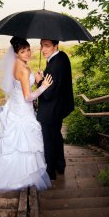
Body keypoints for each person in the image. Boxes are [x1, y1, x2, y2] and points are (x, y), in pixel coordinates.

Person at [0, 36, 53, 191]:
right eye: (23, 51)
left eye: (28, 49)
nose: (28, 53)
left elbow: (21, 84)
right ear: (16, 53)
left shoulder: (17, 64)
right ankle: (18, 179)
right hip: (22, 111)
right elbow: (28, 97)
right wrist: (43, 86)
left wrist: (35, 79)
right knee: (21, 146)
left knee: (9, 144)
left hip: (14, 107)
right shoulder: (22, 69)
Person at [35, 39, 74, 180]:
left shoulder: (53, 65)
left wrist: (39, 80)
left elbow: (47, 93)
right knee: (56, 136)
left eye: (47, 46)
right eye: (41, 45)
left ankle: (50, 171)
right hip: (60, 107)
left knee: (49, 140)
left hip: (50, 110)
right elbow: (57, 83)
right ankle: (60, 165)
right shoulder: (62, 57)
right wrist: (45, 75)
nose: (43, 49)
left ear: (55, 45)